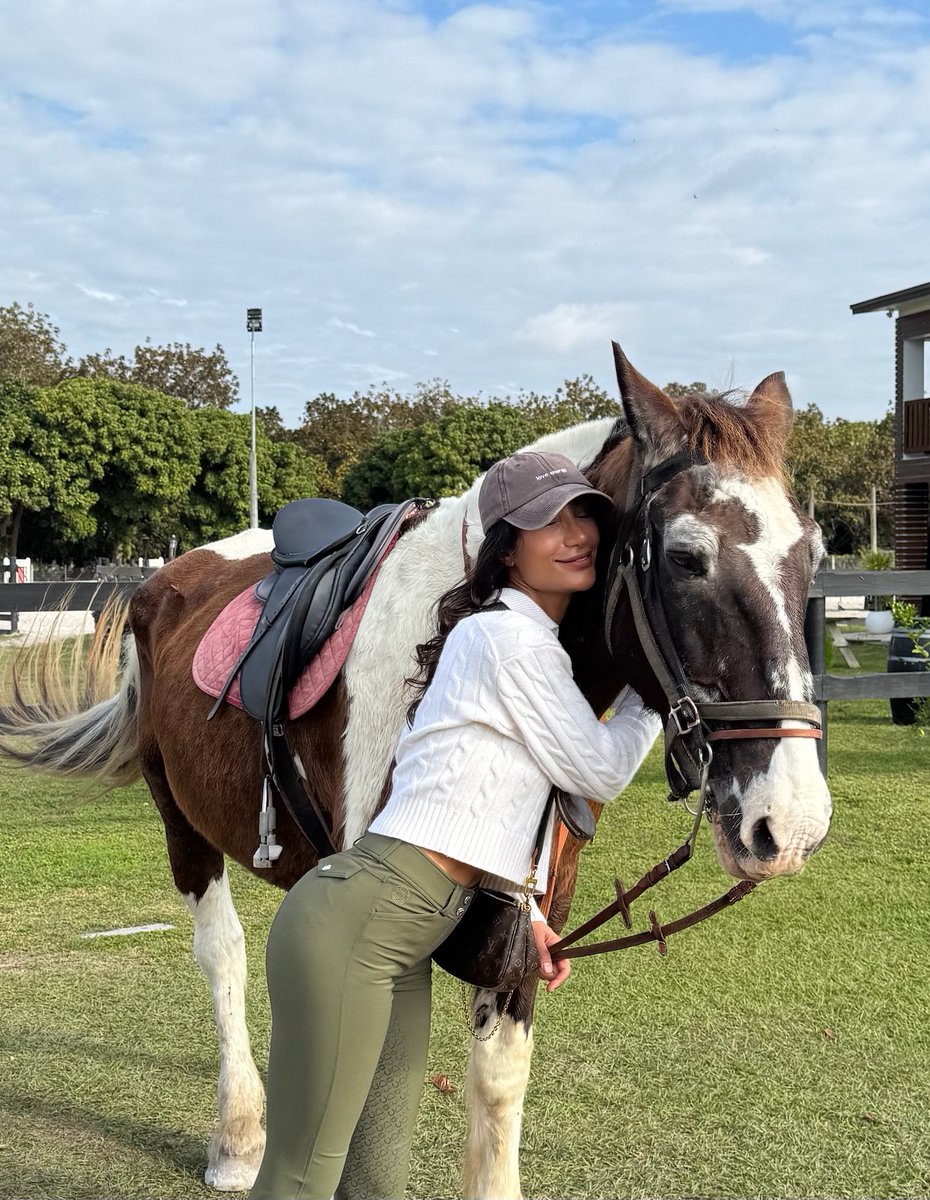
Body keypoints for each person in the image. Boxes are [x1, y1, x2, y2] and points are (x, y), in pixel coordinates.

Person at [249, 450, 662, 1200]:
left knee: (373, 1184)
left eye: (584, 515)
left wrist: (524, 910)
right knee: (299, 1180)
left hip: (399, 933)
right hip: (360, 921)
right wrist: (654, 696)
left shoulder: (524, 646)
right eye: (549, 522)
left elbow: (481, 797)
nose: (577, 535)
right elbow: (599, 770)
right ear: (505, 549)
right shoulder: (505, 640)